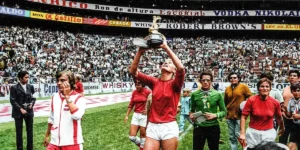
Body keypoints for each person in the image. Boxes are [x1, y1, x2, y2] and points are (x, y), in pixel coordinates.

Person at [129, 39, 185, 150]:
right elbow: (133, 72)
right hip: (153, 126)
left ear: (174, 71)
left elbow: (181, 68)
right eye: (165, 62)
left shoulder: (175, 84)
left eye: (170, 63)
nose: (166, 63)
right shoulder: (154, 82)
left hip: (168, 126)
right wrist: (139, 52)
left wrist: (165, 47)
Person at [43, 70, 86, 150]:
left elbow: (76, 116)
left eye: (62, 80)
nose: (59, 83)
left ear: (71, 82)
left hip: (72, 143)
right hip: (54, 143)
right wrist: (47, 135)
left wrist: (67, 97)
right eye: (58, 80)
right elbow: (51, 119)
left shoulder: (79, 98)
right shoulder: (55, 97)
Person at [239, 78, 285, 149]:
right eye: (262, 86)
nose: (265, 88)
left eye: (267, 86)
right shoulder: (251, 100)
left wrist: (282, 127)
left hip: (268, 133)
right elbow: (243, 117)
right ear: (258, 88)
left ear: (270, 88)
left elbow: (279, 117)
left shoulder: (275, 102)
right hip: (253, 133)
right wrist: (242, 133)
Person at [189, 71, 227, 150]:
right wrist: (191, 115)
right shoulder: (194, 94)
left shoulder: (217, 94)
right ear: (200, 81)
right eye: (203, 80)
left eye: (208, 80)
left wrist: (215, 115)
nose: (206, 82)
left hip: (213, 127)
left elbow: (224, 111)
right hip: (199, 126)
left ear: (211, 81)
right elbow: (191, 110)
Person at [224, 72, 252, 150]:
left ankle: (246, 148)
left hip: (240, 115)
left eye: (235, 77)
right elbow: (225, 102)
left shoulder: (244, 87)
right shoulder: (227, 89)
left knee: (239, 135)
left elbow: (250, 98)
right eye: (231, 78)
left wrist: (245, 106)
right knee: (232, 136)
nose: (233, 79)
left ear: (238, 79)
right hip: (229, 115)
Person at [10, 71, 35, 150]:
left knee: (30, 132)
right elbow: (12, 100)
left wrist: (32, 104)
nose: (27, 79)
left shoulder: (30, 86)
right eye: (25, 77)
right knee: (19, 133)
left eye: (28, 77)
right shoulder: (14, 87)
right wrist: (20, 109)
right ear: (20, 78)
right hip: (18, 112)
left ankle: (30, 148)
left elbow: (33, 98)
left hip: (29, 112)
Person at [124, 79, 151, 150]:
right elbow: (131, 104)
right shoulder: (134, 92)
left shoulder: (148, 92)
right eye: (136, 84)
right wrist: (127, 115)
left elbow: (153, 102)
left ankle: (143, 148)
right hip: (136, 115)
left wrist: (148, 110)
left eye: (139, 84)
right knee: (132, 137)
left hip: (144, 116)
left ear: (143, 84)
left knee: (143, 136)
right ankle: (145, 147)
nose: (137, 85)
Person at [280, 70, 300, 147]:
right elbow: (283, 100)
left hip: (297, 119)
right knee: (283, 139)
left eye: (294, 76)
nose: (292, 77)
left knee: (295, 141)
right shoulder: (285, 88)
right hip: (287, 117)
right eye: (290, 76)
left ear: (299, 78)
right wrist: (284, 110)